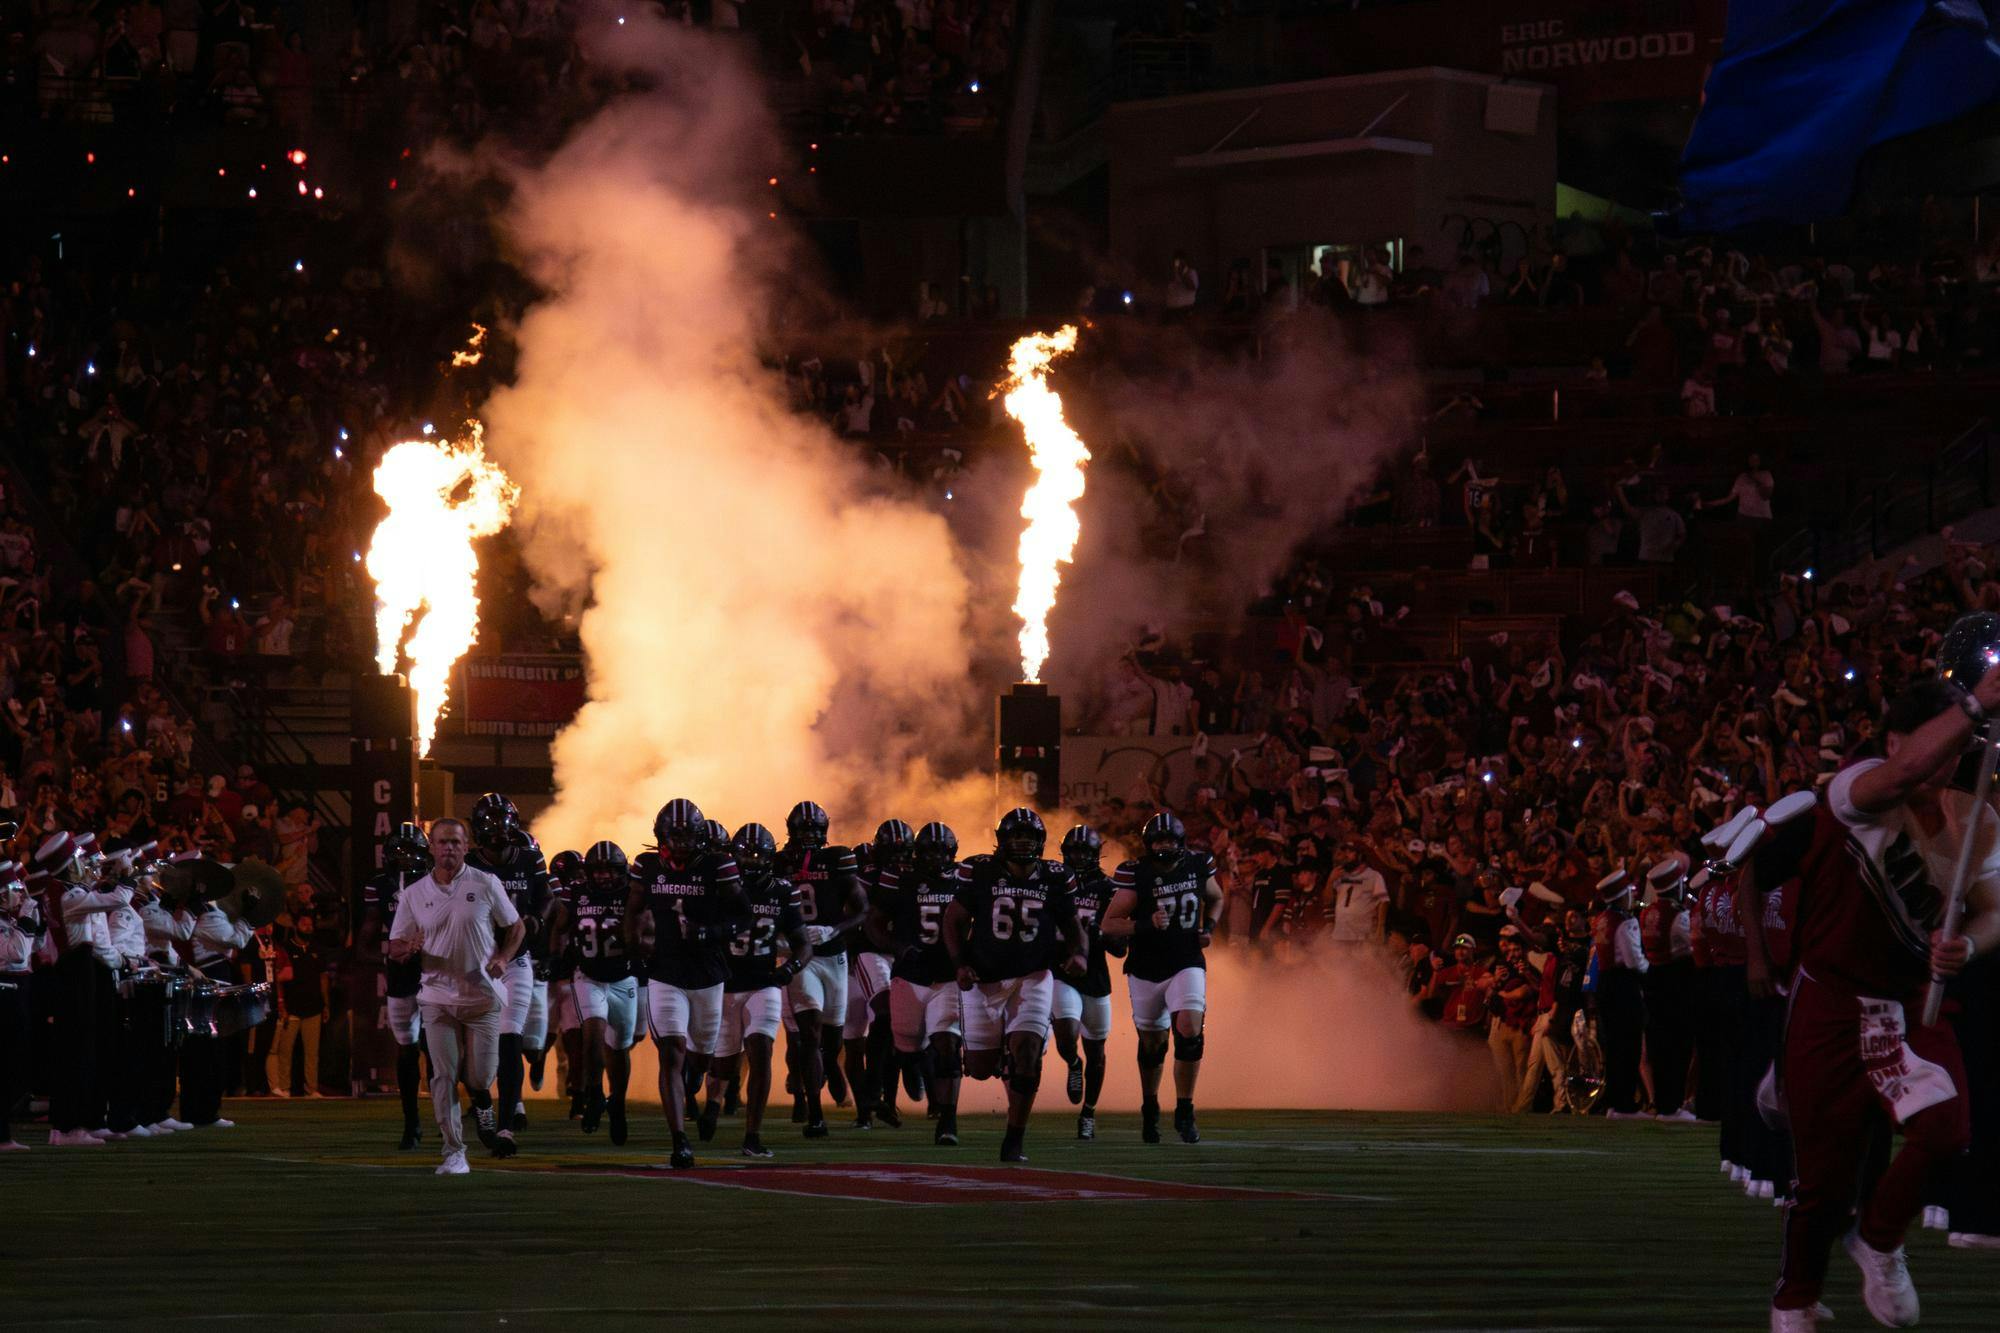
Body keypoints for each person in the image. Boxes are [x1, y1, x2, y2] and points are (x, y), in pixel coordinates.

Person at [1768, 673, 2000, 1330]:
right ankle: (1794, 1299)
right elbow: (1901, 775)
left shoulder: (1977, 814)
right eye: (1933, 740)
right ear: (1897, 738)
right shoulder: (1859, 783)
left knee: (1946, 1129)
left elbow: (1995, 912)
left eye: (1957, 747)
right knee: (1822, 1179)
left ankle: (1880, 1239)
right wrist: (1977, 702)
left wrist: (1969, 947)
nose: (1943, 762)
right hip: (1830, 1003)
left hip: (1905, 1008)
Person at [943, 808, 1086, 1163]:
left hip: (1033, 975)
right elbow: (954, 921)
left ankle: (1014, 1140)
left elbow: (1073, 927)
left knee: (1027, 1057)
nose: (1022, 842)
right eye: (1015, 836)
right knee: (978, 1068)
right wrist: (960, 964)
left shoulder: (1056, 876)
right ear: (1001, 841)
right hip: (985, 978)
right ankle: (1005, 1050)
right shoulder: (981, 871)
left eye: (1029, 836)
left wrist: (1079, 954)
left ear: (1040, 842)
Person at [388, 817, 524, 1176]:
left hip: (481, 997)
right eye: (442, 842)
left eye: (455, 842)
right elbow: (395, 945)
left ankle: (481, 1098)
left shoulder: (486, 883)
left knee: (479, 1076)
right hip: (436, 998)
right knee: (443, 1075)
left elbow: (516, 926)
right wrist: (408, 948)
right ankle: (454, 1151)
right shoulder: (414, 894)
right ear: (431, 847)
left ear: (467, 847)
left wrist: (502, 957)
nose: (448, 848)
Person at [626, 798, 747, 1170]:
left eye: (686, 835)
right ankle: (679, 1140)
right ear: (660, 835)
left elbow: (743, 915)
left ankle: (694, 1085)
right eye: (673, 835)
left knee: (699, 1060)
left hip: (708, 974)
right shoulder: (646, 865)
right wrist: (634, 949)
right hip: (666, 972)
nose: (680, 843)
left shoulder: (717, 865)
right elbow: (632, 911)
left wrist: (709, 932)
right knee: (672, 1052)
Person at [1102, 811, 1224, 1145]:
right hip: (1146, 968)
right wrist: (1143, 924)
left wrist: (1209, 928)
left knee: (1189, 1030)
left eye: (1170, 839)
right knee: (1153, 1045)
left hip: (1186, 961)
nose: (1164, 846)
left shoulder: (1198, 865)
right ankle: (1150, 1106)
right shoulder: (1135, 873)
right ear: (1148, 844)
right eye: (1158, 840)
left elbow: (1216, 897)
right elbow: (1109, 923)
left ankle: (1185, 1109)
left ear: (1181, 842)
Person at [707, 824, 810, 1158]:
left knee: (761, 1050)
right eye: (745, 856)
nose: (751, 862)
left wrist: (789, 969)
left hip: (763, 982)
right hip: (725, 984)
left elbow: (802, 943)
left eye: (758, 856)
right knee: (724, 1066)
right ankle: (712, 1101)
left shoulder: (782, 891)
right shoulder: (719, 888)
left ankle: (752, 1135)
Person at [464, 793, 552, 1144]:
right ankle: (484, 1103)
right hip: (475, 963)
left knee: (510, 1037)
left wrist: (537, 920)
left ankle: (506, 1122)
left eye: (503, 822)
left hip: (516, 961)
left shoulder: (529, 858)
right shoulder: (468, 865)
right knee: (474, 1055)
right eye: (492, 823)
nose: (498, 831)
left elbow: (547, 896)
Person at [777, 800, 864, 1138]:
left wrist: (834, 929)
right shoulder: (779, 861)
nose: (809, 835)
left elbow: (861, 910)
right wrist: (783, 936)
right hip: (802, 958)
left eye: (814, 829)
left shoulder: (838, 858)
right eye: (803, 829)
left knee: (832, 1039)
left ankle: (829, 1069)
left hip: (833, 955)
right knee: (808, 1035)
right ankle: (815, 1113)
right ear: (791, 831)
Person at [883, 821, 967, 1146]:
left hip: (948, 977)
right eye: (929, 852)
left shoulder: (965, 879)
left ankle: (948, 1119)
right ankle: (912, 1072)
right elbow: (874, 920)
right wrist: (899, 947)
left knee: (948, 1045)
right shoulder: (902, 880)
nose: (935, 858)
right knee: (907, 1047)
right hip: (911, 976)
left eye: (941, 851)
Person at [359, 823, 431, 1149]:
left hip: (434, 973)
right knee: (407, 1050)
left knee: (438, 1050)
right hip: (402, 975)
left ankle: (447, 1115)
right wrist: (391, 954)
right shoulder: (380, 887)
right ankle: (411, 1121)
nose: (404, 861)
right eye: (398, 854)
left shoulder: (436, 884)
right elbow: (364, 944)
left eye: (410, 854)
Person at [566, 841, 641, 1145]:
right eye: (598, 870)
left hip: (624, 978)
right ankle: (594, 1094)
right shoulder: (576, 893)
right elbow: (560, 924)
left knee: (619, 1048)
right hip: (589, 976)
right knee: (592, 1038)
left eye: (610, 870)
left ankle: (618, 1104)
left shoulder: (633, 894)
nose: (605, 876)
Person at [1052, 824, 1117, 1141]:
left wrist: (1103, 936)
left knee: (1098, 1051)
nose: (1077, 857)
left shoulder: (1107, 888)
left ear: (1095, 855)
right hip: (1062, 970)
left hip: (1095, 976)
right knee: (1065, 1034)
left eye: (1083, 852)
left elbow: (1119, 945)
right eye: (1073, 851)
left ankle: (1088, 1113)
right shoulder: (1053, 882)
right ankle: (1072, 1062)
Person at [846, 820, 910, 1131]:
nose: (898, 859)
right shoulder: (865, 876)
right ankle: (866, 1103)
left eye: (903, 852)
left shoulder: (915, 877)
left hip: (896, 956)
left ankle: (887, 1098)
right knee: (864, 1031)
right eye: (892, 852)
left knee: (897, 1027)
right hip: (865, 954)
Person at [1639, 856, 1697, 1122]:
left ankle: (1662, 1102)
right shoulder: (1678, 915)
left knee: (1658, 1043)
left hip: (1654, 976)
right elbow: (1690, 947)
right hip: (1676, 979)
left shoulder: (1647, 912)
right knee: (1677, 1043)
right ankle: (1672, 1104)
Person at [1593, 870, 1649, 1118]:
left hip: (1605, 982)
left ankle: (1615, 1101)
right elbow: (1633, 959)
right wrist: (1652, 970)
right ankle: (1625, 1102)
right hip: (1623, 984)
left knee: (1615, 1046)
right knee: (1629, 1043)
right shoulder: (1626, 921)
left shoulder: (1603, 918)